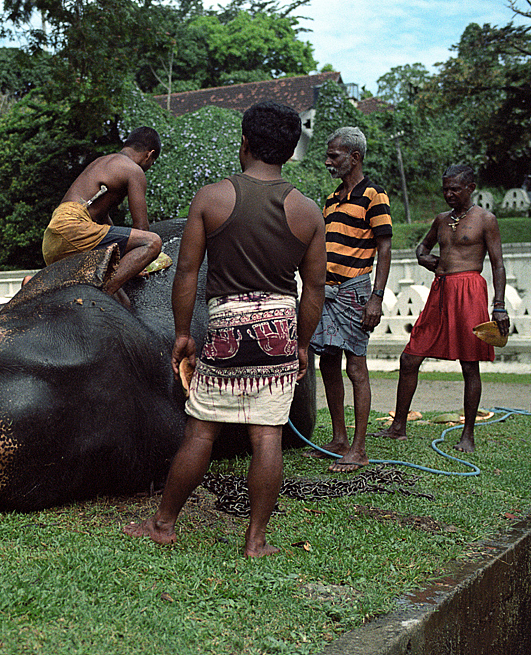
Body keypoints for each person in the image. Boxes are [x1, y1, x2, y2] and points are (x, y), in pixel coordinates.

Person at [123, 101, 326, 558]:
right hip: (279, 327)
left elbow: (187, 271)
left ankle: (163, 524)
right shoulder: (308, 211)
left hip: (227, 327)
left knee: (201, 431)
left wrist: (182, 333)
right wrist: (302, 344)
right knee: (267, 436)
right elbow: (314, 290)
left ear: (246, 143)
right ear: (290, 151)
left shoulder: (212, 197)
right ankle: (255, 540)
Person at [372, 164, 509, 453]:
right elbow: (421, 247)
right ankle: (398, 427)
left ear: (470, 188)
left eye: (455, 189)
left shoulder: (486, 219)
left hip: (469, 290)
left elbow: (498, 264)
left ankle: (468, 435)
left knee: (469, 365)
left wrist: (499, 306)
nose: (448, 194)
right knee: (410, 358)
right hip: (440, 291)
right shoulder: (441, 220)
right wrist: (423, 258)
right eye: (445, 189)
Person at [303, 126, 392, 472]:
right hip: (327, 290)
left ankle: (359, 448)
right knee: (328, 362)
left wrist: (376, 298)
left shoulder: (374, 195)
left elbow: (384, 248)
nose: (328, 161)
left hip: (355, 290)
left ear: (354, 158)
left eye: (334, 156)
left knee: (355, 366)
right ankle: (339, 439)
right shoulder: (332, 199)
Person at [41, 127, 164, 300]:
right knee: (153, 242)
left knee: (123, 302)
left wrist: (128, 264)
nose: (149, 167)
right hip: (73, 230)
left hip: (52, 241)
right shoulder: (133, 171)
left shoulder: (101, 162)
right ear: (148, 155)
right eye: (152, 162)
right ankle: (101, 296)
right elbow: (142, 228)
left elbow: (102, 220)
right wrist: (139, 262)